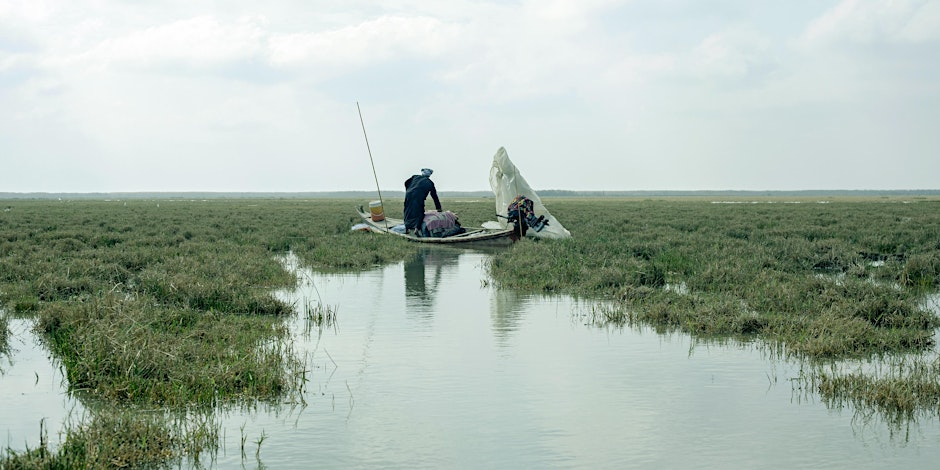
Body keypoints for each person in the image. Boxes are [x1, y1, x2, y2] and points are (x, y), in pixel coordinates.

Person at [403, 168, 442, 235]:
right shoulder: (430, 182)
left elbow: (406, 182)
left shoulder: (415, 177)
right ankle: (416, 228)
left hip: (409, 195)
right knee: (419, 212)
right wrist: (438, 208)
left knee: (408, 210)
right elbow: (434, 196)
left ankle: (407, 228)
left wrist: (409, 189)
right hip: (419, 197)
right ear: (429, 175)